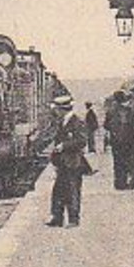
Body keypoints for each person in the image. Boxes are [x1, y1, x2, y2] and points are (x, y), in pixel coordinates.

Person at [47, 97, 91, 227]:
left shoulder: (77, 122)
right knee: (59, 190)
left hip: (73, 162)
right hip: (62, 162)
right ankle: (57, 217)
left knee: (72, 191)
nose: (55, 112)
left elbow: (82, 141)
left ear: (62, 110)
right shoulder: (63, 121)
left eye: (56, 110)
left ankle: (73, 219)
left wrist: (64, 146)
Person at [105, 91, 131, 188]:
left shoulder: (110, 110)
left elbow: (106, 125)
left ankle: (118, 182)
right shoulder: (127, 110)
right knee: (125, 161)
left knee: (117, 161)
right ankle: (124, 182)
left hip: (115, 139)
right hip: (126, 139)